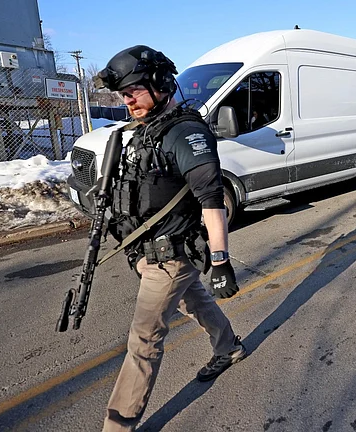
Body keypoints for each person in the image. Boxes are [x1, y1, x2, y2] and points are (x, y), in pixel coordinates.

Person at [95, 45, 246, 431]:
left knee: (143, 340)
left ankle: (118, 425)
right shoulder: (145, 131)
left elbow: (211, 201)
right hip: (147, 251)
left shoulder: (186, 133)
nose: (127, 100)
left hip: (171, 255)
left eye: (133, 91)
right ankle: (228, 347)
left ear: (160, 84)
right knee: (192, 301)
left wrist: (220, 260)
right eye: (122, 94)